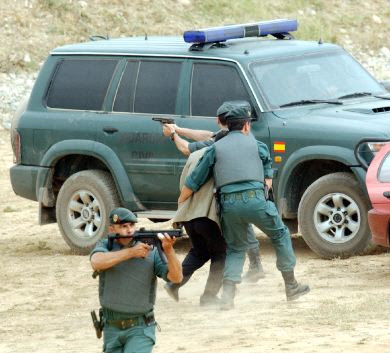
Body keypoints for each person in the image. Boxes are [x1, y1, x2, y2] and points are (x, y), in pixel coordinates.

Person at [178, 101, 310, 310]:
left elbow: (193, 181)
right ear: (247, 125)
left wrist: (181, 202)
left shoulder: (215, 147)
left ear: (227, 125)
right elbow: (268, 168)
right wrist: (265, 187)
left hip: (229, 206)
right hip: (256, 199)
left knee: (236, 248)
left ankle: (228, 298)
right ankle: (291, 285)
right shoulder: (257, 145)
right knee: (280, 235)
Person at [162, 111, 265, 283]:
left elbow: (186, 149)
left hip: (218, 199)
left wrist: (172, 134)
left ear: (218, 120)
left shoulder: (218, 144)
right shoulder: (238, 136)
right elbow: (207, 135)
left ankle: (216, 288)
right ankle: (255, 265)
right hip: (246, 185)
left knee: (217, 251)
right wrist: (178, 129)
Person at [90, 207, 182, 353]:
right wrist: (131, 253)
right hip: (111, 329)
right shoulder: (105, 246)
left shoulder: (151, 251)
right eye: (123, 226)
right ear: (112, 229)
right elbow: (96, 262)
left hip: (140, 328)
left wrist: (169, 250)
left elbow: (176, 278)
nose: (129, 230)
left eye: (132, 225)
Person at [164, 147, 226, 307]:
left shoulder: (194, 154)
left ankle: (174, 284)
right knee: (221, 254)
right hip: (206, 215)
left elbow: (183, 183)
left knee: (199, 251)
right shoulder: (224, 153)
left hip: (187, 213)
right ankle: (209, 296)